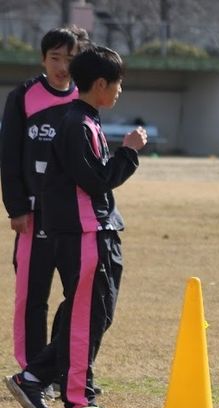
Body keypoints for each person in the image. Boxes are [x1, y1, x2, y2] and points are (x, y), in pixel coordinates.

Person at [4, 45, 147, 408]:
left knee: (94, 316)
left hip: (97, 231)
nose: (120, 91)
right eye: (118, 84)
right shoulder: (77, 125)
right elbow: (96, 180)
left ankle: (34, 377)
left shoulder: (86, 121)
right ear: (100, 84)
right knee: (86, 318)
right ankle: (79, 403)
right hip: (86, 235)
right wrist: (129, 152)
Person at [1, 26, 89, 385]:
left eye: (70, 59)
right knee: (32, 296)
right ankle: (31, 370)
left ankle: (60, 367)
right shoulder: (23, 96)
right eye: (55, 58)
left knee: (76, 297)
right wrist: (16, 207)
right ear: (42, 59)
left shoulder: (84, 98)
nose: (62, 67)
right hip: (33, 217)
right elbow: (9, 156)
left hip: (72, 219)